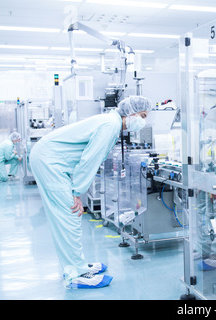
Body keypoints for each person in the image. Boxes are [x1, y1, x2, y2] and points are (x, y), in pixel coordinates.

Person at [29, 96, 151, 289]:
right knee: (69, 214)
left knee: (69, 215)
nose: (143, 121)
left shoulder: (111, 122)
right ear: (131, 112)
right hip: (49, 161)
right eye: (142, 116)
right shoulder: (110, 125)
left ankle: (78, 265)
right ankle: (75, 274)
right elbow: (90, 159)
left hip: (51, 159)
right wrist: (77, 192)